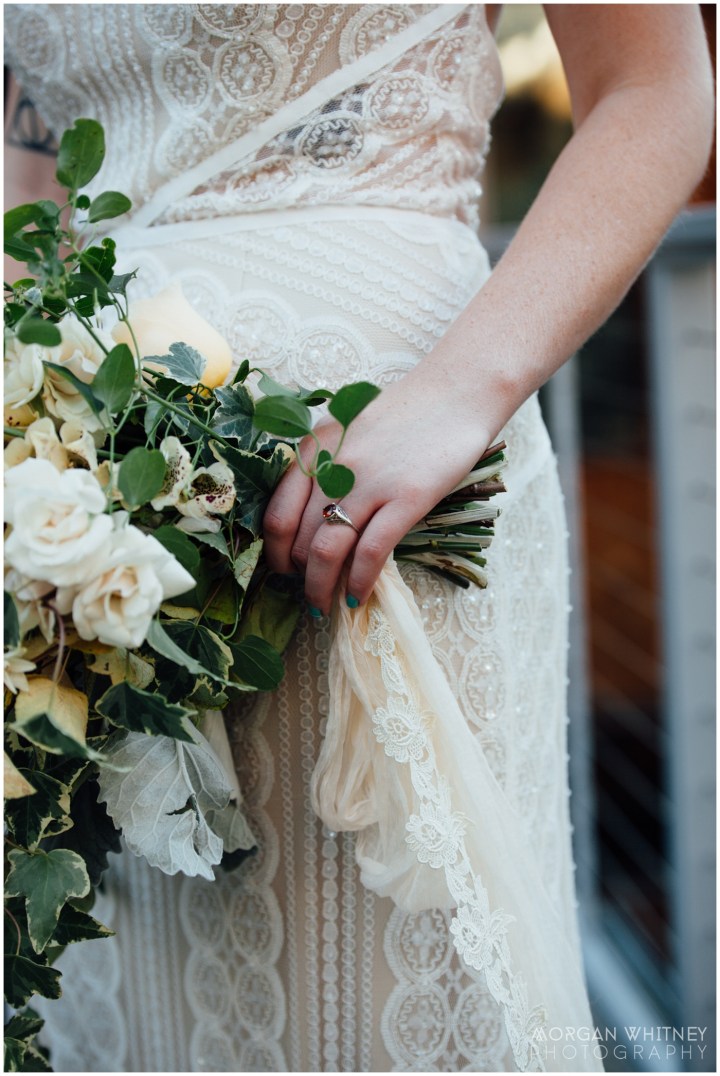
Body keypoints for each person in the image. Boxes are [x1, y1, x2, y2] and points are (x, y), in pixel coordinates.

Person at [4, 4, 713, 1072]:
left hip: (379, 508)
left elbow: (656, 88)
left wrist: (457, 393)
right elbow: (28, 174)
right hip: (81, 533)